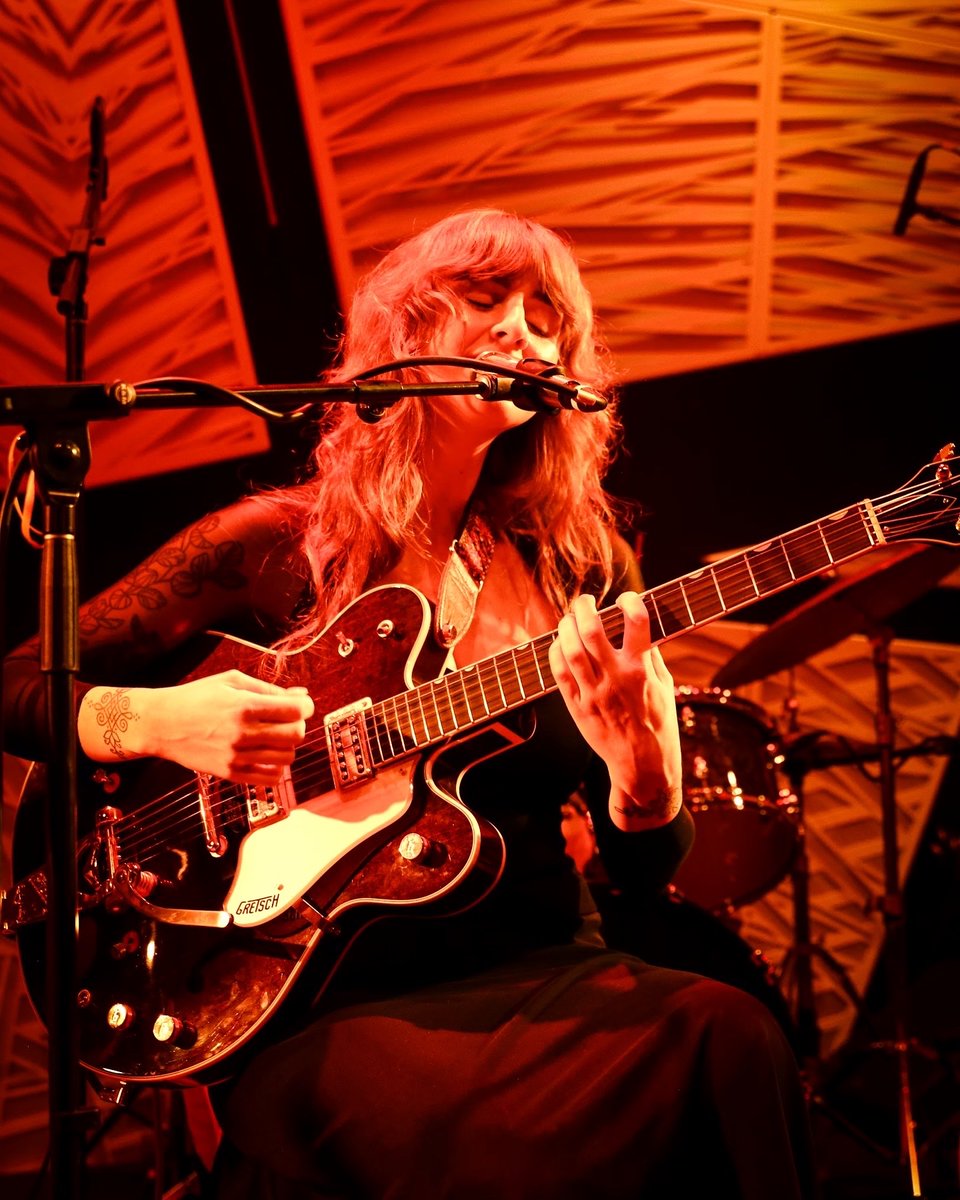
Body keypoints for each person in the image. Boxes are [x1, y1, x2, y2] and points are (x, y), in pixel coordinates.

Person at [3, 208, 816, 1198]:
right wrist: (158, 722)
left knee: (732, 1033)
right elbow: (18, 679)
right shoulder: (280, 545)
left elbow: (646, 879)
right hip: (328, 994)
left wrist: (646, 785)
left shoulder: (576, 571)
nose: (523, 329)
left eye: (549, 315)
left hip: (544, 963)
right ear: (406, 331)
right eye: (486, 297)